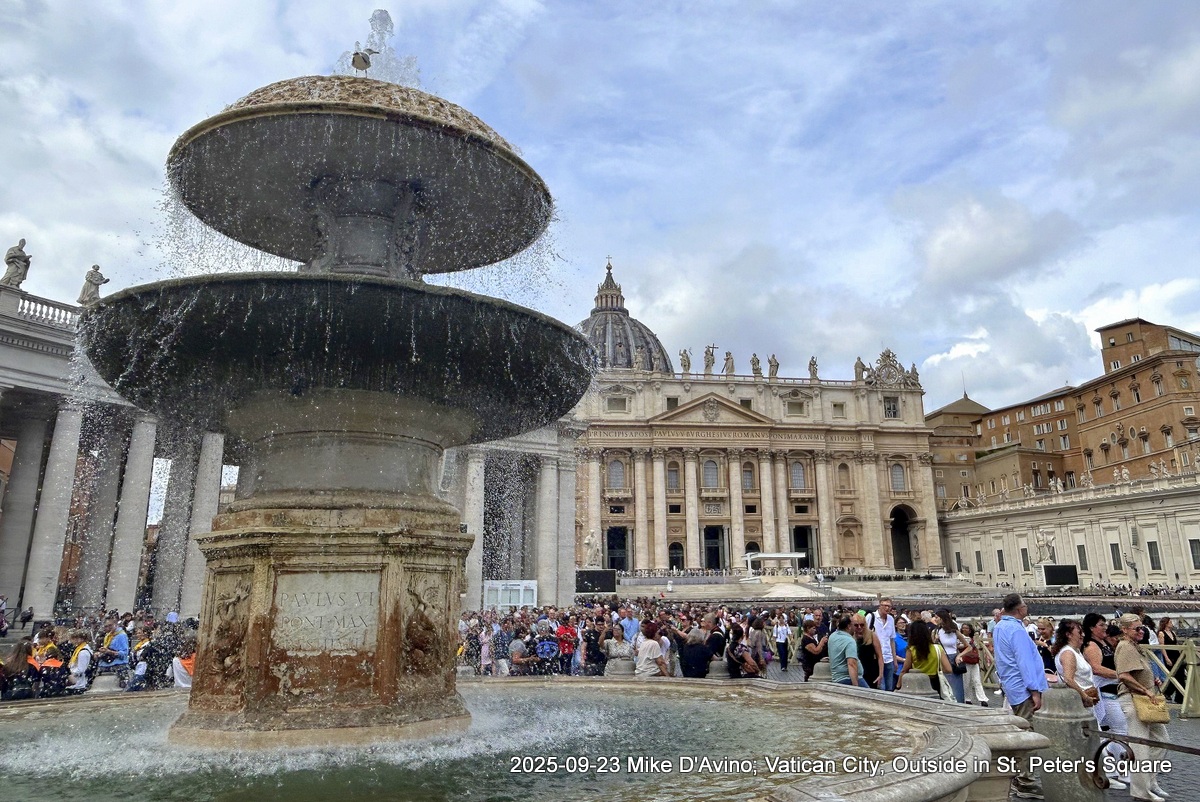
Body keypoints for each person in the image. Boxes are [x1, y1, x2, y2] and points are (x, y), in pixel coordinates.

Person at [993, 594, 1048, 800]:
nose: (1027, 607)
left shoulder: (1000, 626)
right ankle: (1027, 781)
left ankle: (1019, 777)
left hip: (1012, 685)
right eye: (1025, 604)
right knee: (1028, 736)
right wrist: (1034, 690)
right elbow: (1024, 661)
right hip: (1023, 689)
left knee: (1021, 732)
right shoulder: (1016, 630)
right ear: (1019, 609)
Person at [1115, 612, 1171, 802]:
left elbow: (1138, 672)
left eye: (1143, 628)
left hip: (1145, 700)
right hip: (1134, 700)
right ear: (1125, 630)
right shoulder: (1125, 647)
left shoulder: (1134, 646)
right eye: (1137, 629)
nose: (1141, 631)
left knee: (1162, 740)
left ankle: (1149, 781)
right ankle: (1141, 791)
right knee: (1140, 748)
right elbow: (1124, 675)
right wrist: (1145, 690)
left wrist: (1151, 681)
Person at [1052, 620, 1098, 711]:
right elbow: (1068, 679)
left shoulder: (1075, 651)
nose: (1083, 635)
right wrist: (1085, 697)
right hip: (1077, 703)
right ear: (1068, 635)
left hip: (1082, 702)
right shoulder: (1068, 653)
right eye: (1079, 632)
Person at [901, 616, 953, 694]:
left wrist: (898, 685)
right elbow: (948, 669)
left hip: (917, 682)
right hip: (934, 681)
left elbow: (905, 669)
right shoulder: (938, 648)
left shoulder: (911, 650)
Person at [933, 608, 966, 703]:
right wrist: (935, 640)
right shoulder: (936, 631)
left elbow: (968, 647)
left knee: (956, 687)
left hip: (954, 658)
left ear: (942, 618)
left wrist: (959, 655)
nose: (935, 619)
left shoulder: (954, 631)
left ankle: (960, 704)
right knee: (944, 686)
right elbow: (934, 646)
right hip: (942, 658)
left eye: (937, 617)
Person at [867, 598, 897, 690]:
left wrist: (894, 659)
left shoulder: (891, 619)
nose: (887, 608)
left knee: (889, 686)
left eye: (889, 606)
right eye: (885, 606)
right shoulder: (871, 617)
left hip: (888, 657)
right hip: (875, 657)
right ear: (880, 606)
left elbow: (891, 640)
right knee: (880, 686)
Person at [829, 615, 866, 687]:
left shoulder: (832, 637)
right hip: (848, 678)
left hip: (836, 678)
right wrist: (856, 686)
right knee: (870, 694)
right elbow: (851, 663)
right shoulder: (849, 641)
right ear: (849, 626)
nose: (855, 628)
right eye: (854, 625)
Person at [959, 622, 989, 706]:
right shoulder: (960, 638)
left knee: (977, 680)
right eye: (963, 628)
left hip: (974, 661)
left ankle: (982, 698)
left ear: (970, 630)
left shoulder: (972, 639)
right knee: (967, 681)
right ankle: (967, 698)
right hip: (965, 661)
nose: (964, 629)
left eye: (966, 628)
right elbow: (958, 647)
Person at [66, 629, 93, 694]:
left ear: (81, 639)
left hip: (78, 684)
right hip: (75, 682)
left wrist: (71, 674)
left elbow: (81, 669)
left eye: (74, 638)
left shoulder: (83, 652)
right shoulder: (78, 649)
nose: (72, 641)